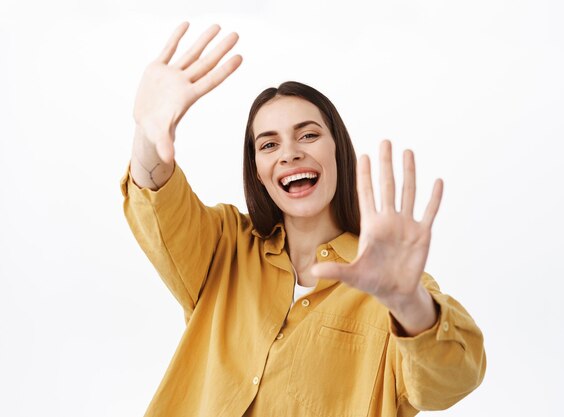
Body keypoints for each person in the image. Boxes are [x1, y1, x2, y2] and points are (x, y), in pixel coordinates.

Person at [120, 21, 486, 417]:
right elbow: (158, 202)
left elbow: (453, 379)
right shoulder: (222, 246)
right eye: (269, 144)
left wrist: (408, 303)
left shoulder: (392, 284)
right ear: (257, 169)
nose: (289, 153)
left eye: (308, 135)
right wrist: (147, 132)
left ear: (337, 150)